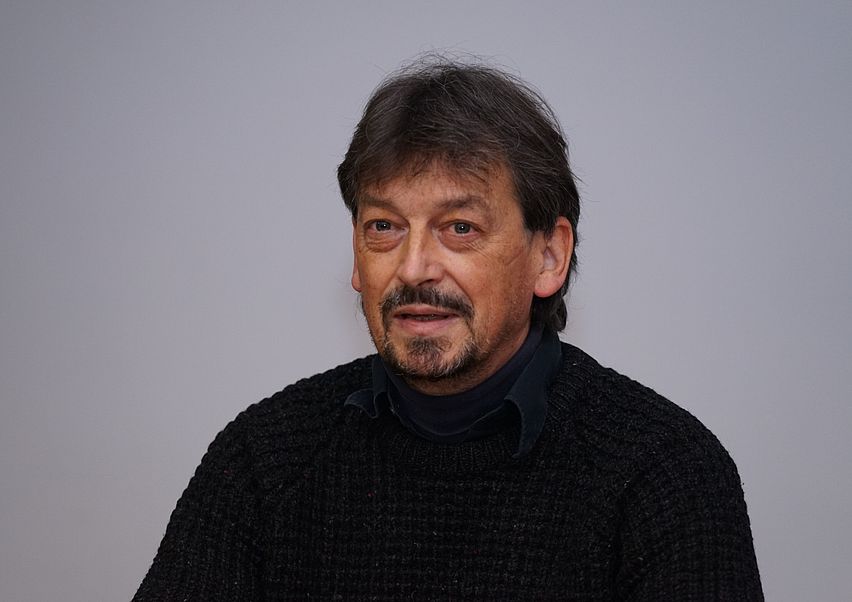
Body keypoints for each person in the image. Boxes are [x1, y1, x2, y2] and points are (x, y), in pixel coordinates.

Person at [134, 59, 763, 600]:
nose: (413, 268)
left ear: (549, 256)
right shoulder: (264, 461)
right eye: (384, 227)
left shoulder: (665, 475)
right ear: (356, 256)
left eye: (460, 228)